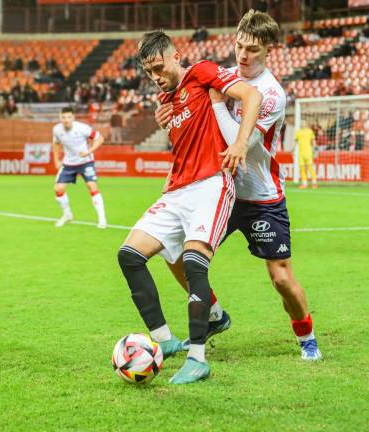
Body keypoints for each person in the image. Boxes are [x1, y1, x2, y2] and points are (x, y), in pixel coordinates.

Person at [154, 9, 322, 361]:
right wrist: (166, 115)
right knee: (176, 255)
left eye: (253, 50)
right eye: (239, 46)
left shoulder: (272, 94)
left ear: (269, 51)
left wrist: (216, 104)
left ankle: (306, 337)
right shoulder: (226, 77)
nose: (243, 55)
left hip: (261, 196)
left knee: (280, 278)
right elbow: (188, 115)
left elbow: (237, 145)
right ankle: (215, 315)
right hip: (220, 191)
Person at [117, 30, 262, 384]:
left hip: (212, 183)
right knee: (129, 255)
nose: (155, 76)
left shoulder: (201, 72)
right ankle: (165, 341)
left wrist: (241, 142)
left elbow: (251, 93)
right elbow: (183, 144)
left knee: (195, 260)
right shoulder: (167, 99)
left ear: (174, 54)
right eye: (149, 71)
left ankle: (198, 358)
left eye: (159, 66)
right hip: (177, 190)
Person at [51, 106, 107, 228]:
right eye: (63, 117)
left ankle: (102, 219)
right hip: (69, 163)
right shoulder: (56, 130)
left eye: (69, 117)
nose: (66, 120)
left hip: (85, 161)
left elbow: (100, 138)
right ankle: (67, 215)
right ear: (60, 118)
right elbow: (55, 144)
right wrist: (56, 159)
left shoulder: (82, 128)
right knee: (58, 189)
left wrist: (89, 151)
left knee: (91, 186)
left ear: (73, 117)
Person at [294, 120, 317, 189]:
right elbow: (296, 142)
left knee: (310, 168)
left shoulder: (310, 131)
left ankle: (314, 183)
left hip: (308, 152)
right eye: (301, 123)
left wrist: (315, 150)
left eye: (303, 123)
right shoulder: (298, 132)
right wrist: (293, 151)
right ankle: (304, 184)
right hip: (301, 153)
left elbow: (313, 141)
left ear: (306, 124)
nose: (302, 124)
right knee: (302, 169)